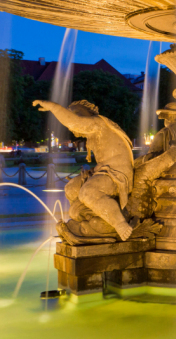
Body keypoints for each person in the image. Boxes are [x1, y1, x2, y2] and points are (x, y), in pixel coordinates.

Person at [33, 99, 134, 240]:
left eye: (75, 113)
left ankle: (119, 223)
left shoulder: (98, 123)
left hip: (117, 173)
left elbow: (74, 121)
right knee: (71, 188)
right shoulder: (93, 132)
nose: (72, 118)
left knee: (88, 193)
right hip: (102, 171)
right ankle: (89, 217)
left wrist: (54, 107)